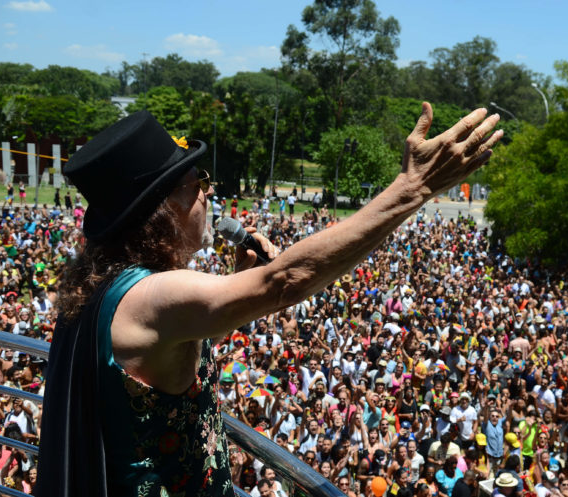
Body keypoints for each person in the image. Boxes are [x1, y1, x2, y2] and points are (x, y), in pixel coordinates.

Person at [36, 105, 503, 496]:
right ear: (165, 206)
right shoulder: (154, 294)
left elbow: (179, 341)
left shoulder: (111, 286)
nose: (209, 191)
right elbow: (288, 279)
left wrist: (238, 284)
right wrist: (413, 188)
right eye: (198, 180)